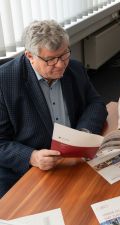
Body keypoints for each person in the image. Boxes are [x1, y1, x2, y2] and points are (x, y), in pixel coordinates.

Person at [0, 20, 108, 197]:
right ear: (30, 56)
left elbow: (95, 103)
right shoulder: (5, 83)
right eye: (51, 59)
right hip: (30, 170)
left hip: (73, 160)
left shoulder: (73, 68)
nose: (60, 64)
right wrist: (31, 156)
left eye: (64, 54)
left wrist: (83, 132)